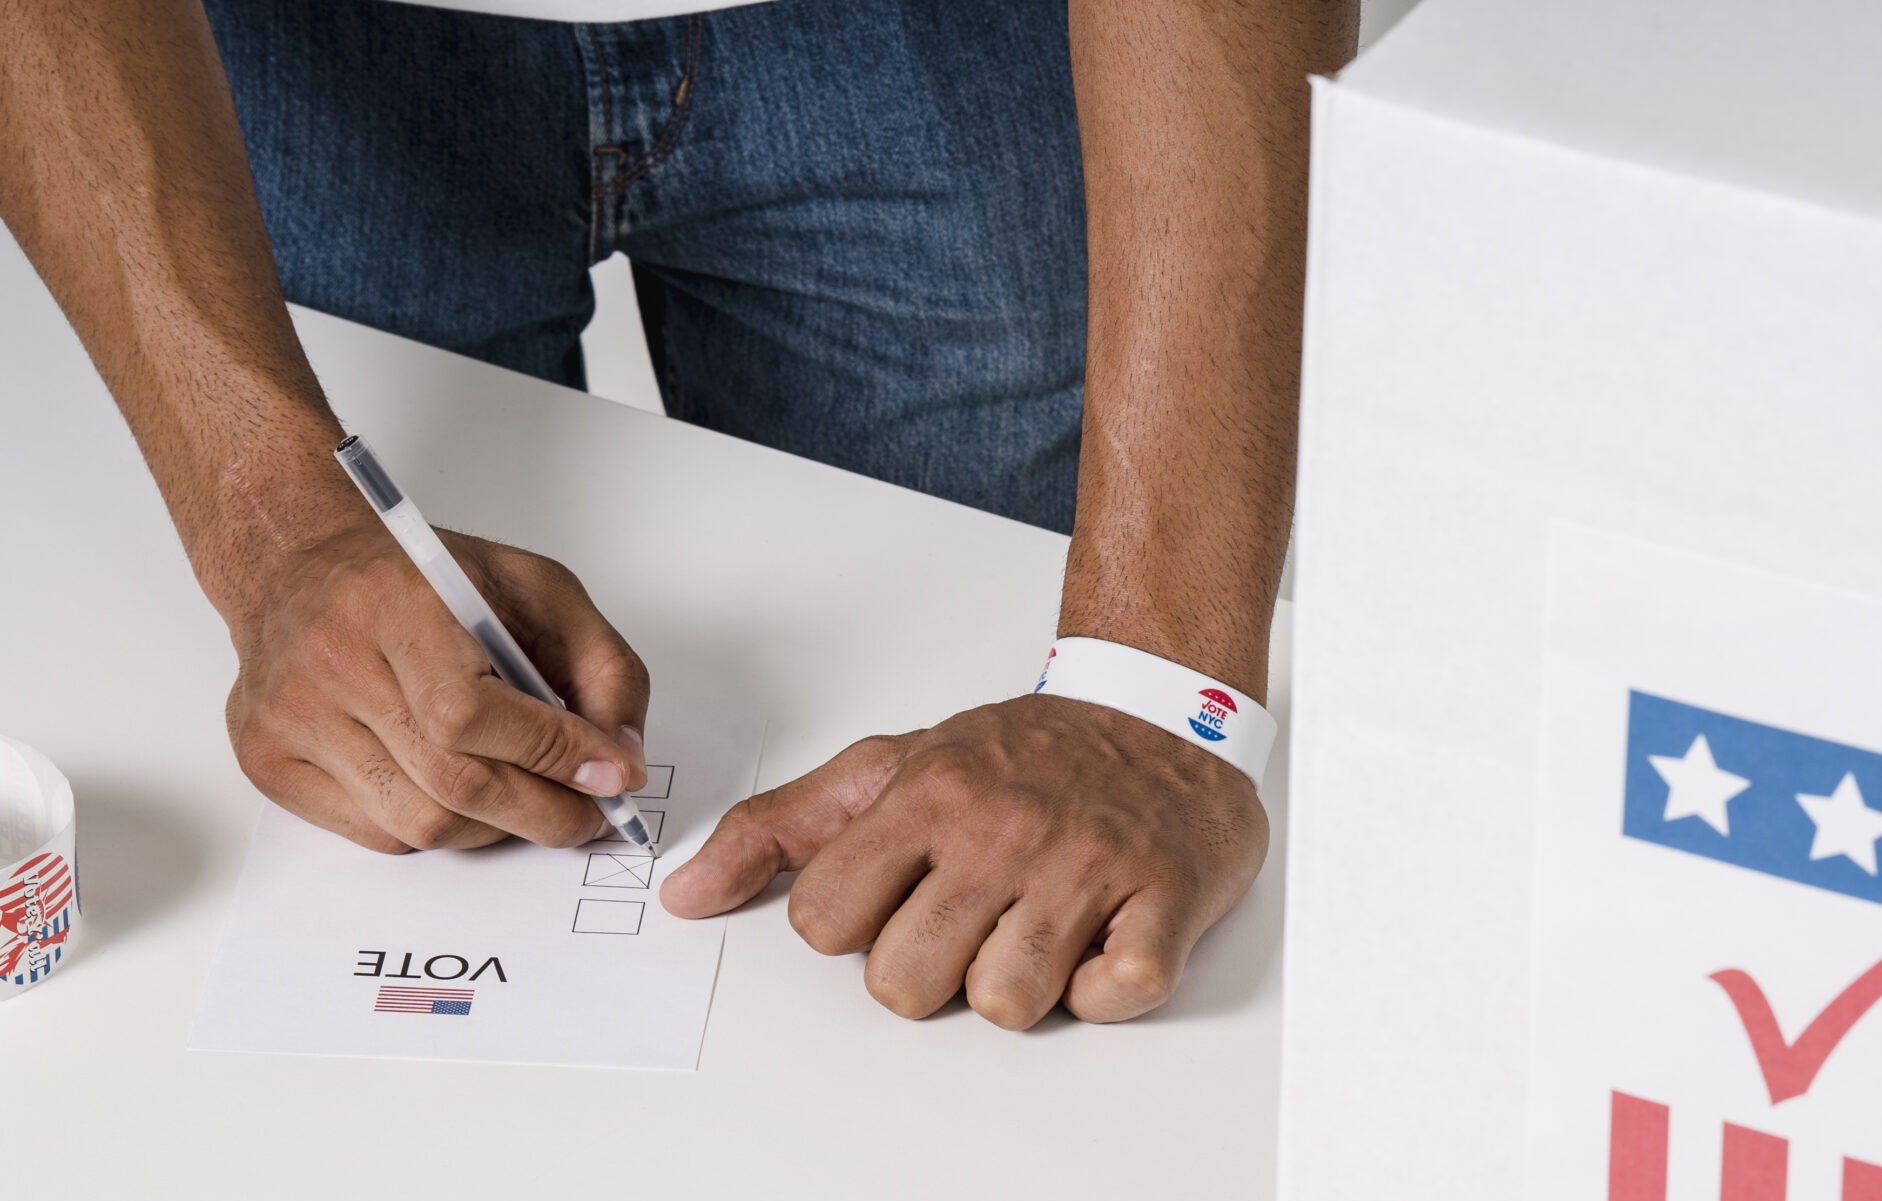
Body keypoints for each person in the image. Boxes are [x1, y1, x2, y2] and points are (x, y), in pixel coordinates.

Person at [0, 0, 1353, 1028]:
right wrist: (274, 528)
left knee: (987, 859)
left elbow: (1126, 723)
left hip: (948, 44)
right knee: (402, 760)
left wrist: (1158, 694)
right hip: (272, 57)